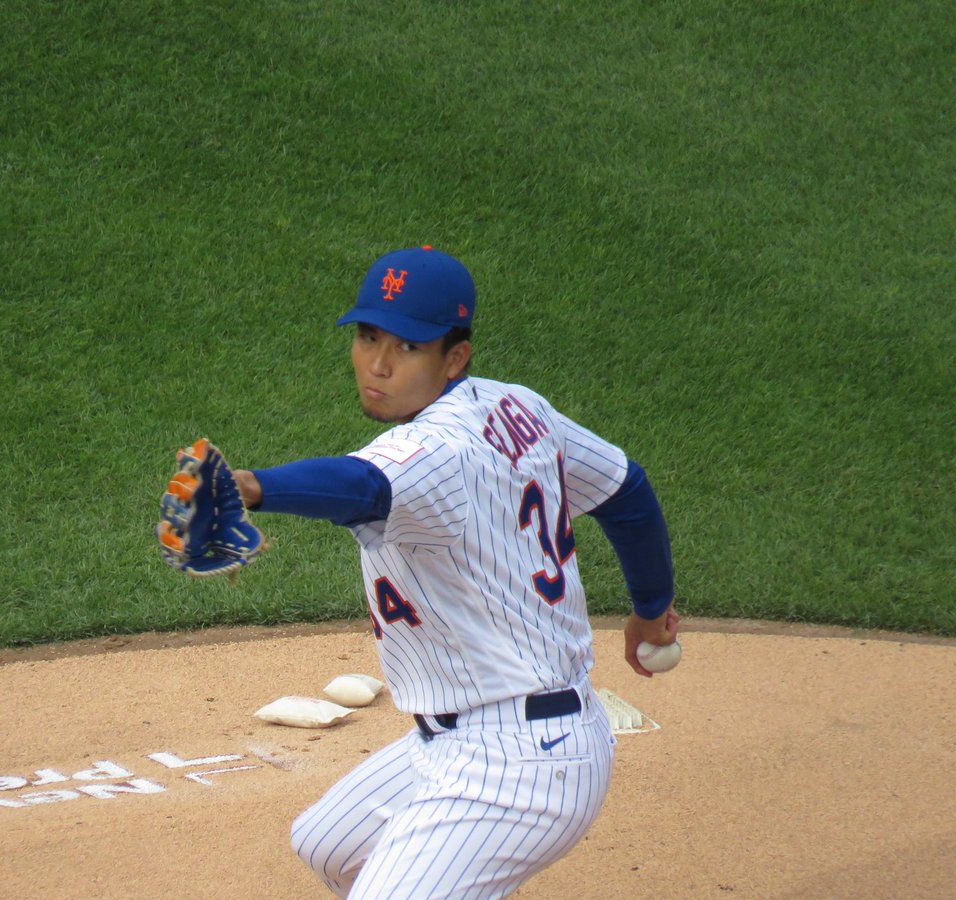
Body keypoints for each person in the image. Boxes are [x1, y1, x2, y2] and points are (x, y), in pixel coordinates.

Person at [231, 246, 678, 898]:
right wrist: (650, 609)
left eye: (408, 347)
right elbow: (625, 491)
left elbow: (359, 487)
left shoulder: (432, 451)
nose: (378, 364)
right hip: (456, 743)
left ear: (454, 358)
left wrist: (252, 488)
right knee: (329, 845)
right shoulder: (517, 408)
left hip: (523, 765)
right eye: (368, 336)